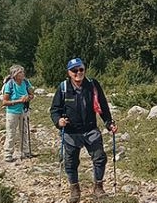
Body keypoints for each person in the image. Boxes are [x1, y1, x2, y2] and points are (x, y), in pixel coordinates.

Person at [50, 57, 118, 202]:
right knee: (70, 163)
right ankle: (74, 190)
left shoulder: (92, 85)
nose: (78, 72)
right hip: (71, 132)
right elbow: (54, 110)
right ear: (69, 72)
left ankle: (98, 187)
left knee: (100, 158)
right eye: (74, 70)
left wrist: (108, 123)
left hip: (90, 129)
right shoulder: (63, 88)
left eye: (81, 69)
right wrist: (58, 121)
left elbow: (103, 106)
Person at [2, 64, 34, 162]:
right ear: (15, 74)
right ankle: (8, 153)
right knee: (11, 133)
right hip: (12, 112)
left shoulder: (26, 82)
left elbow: (31, 94)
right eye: (20, 72)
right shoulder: (9, 85)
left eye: (22, 72)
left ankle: (25, 151)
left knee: (24, 131)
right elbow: (5, 102)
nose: (23, 74)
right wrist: (19, 101)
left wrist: (28, 97)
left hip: (24, 110)